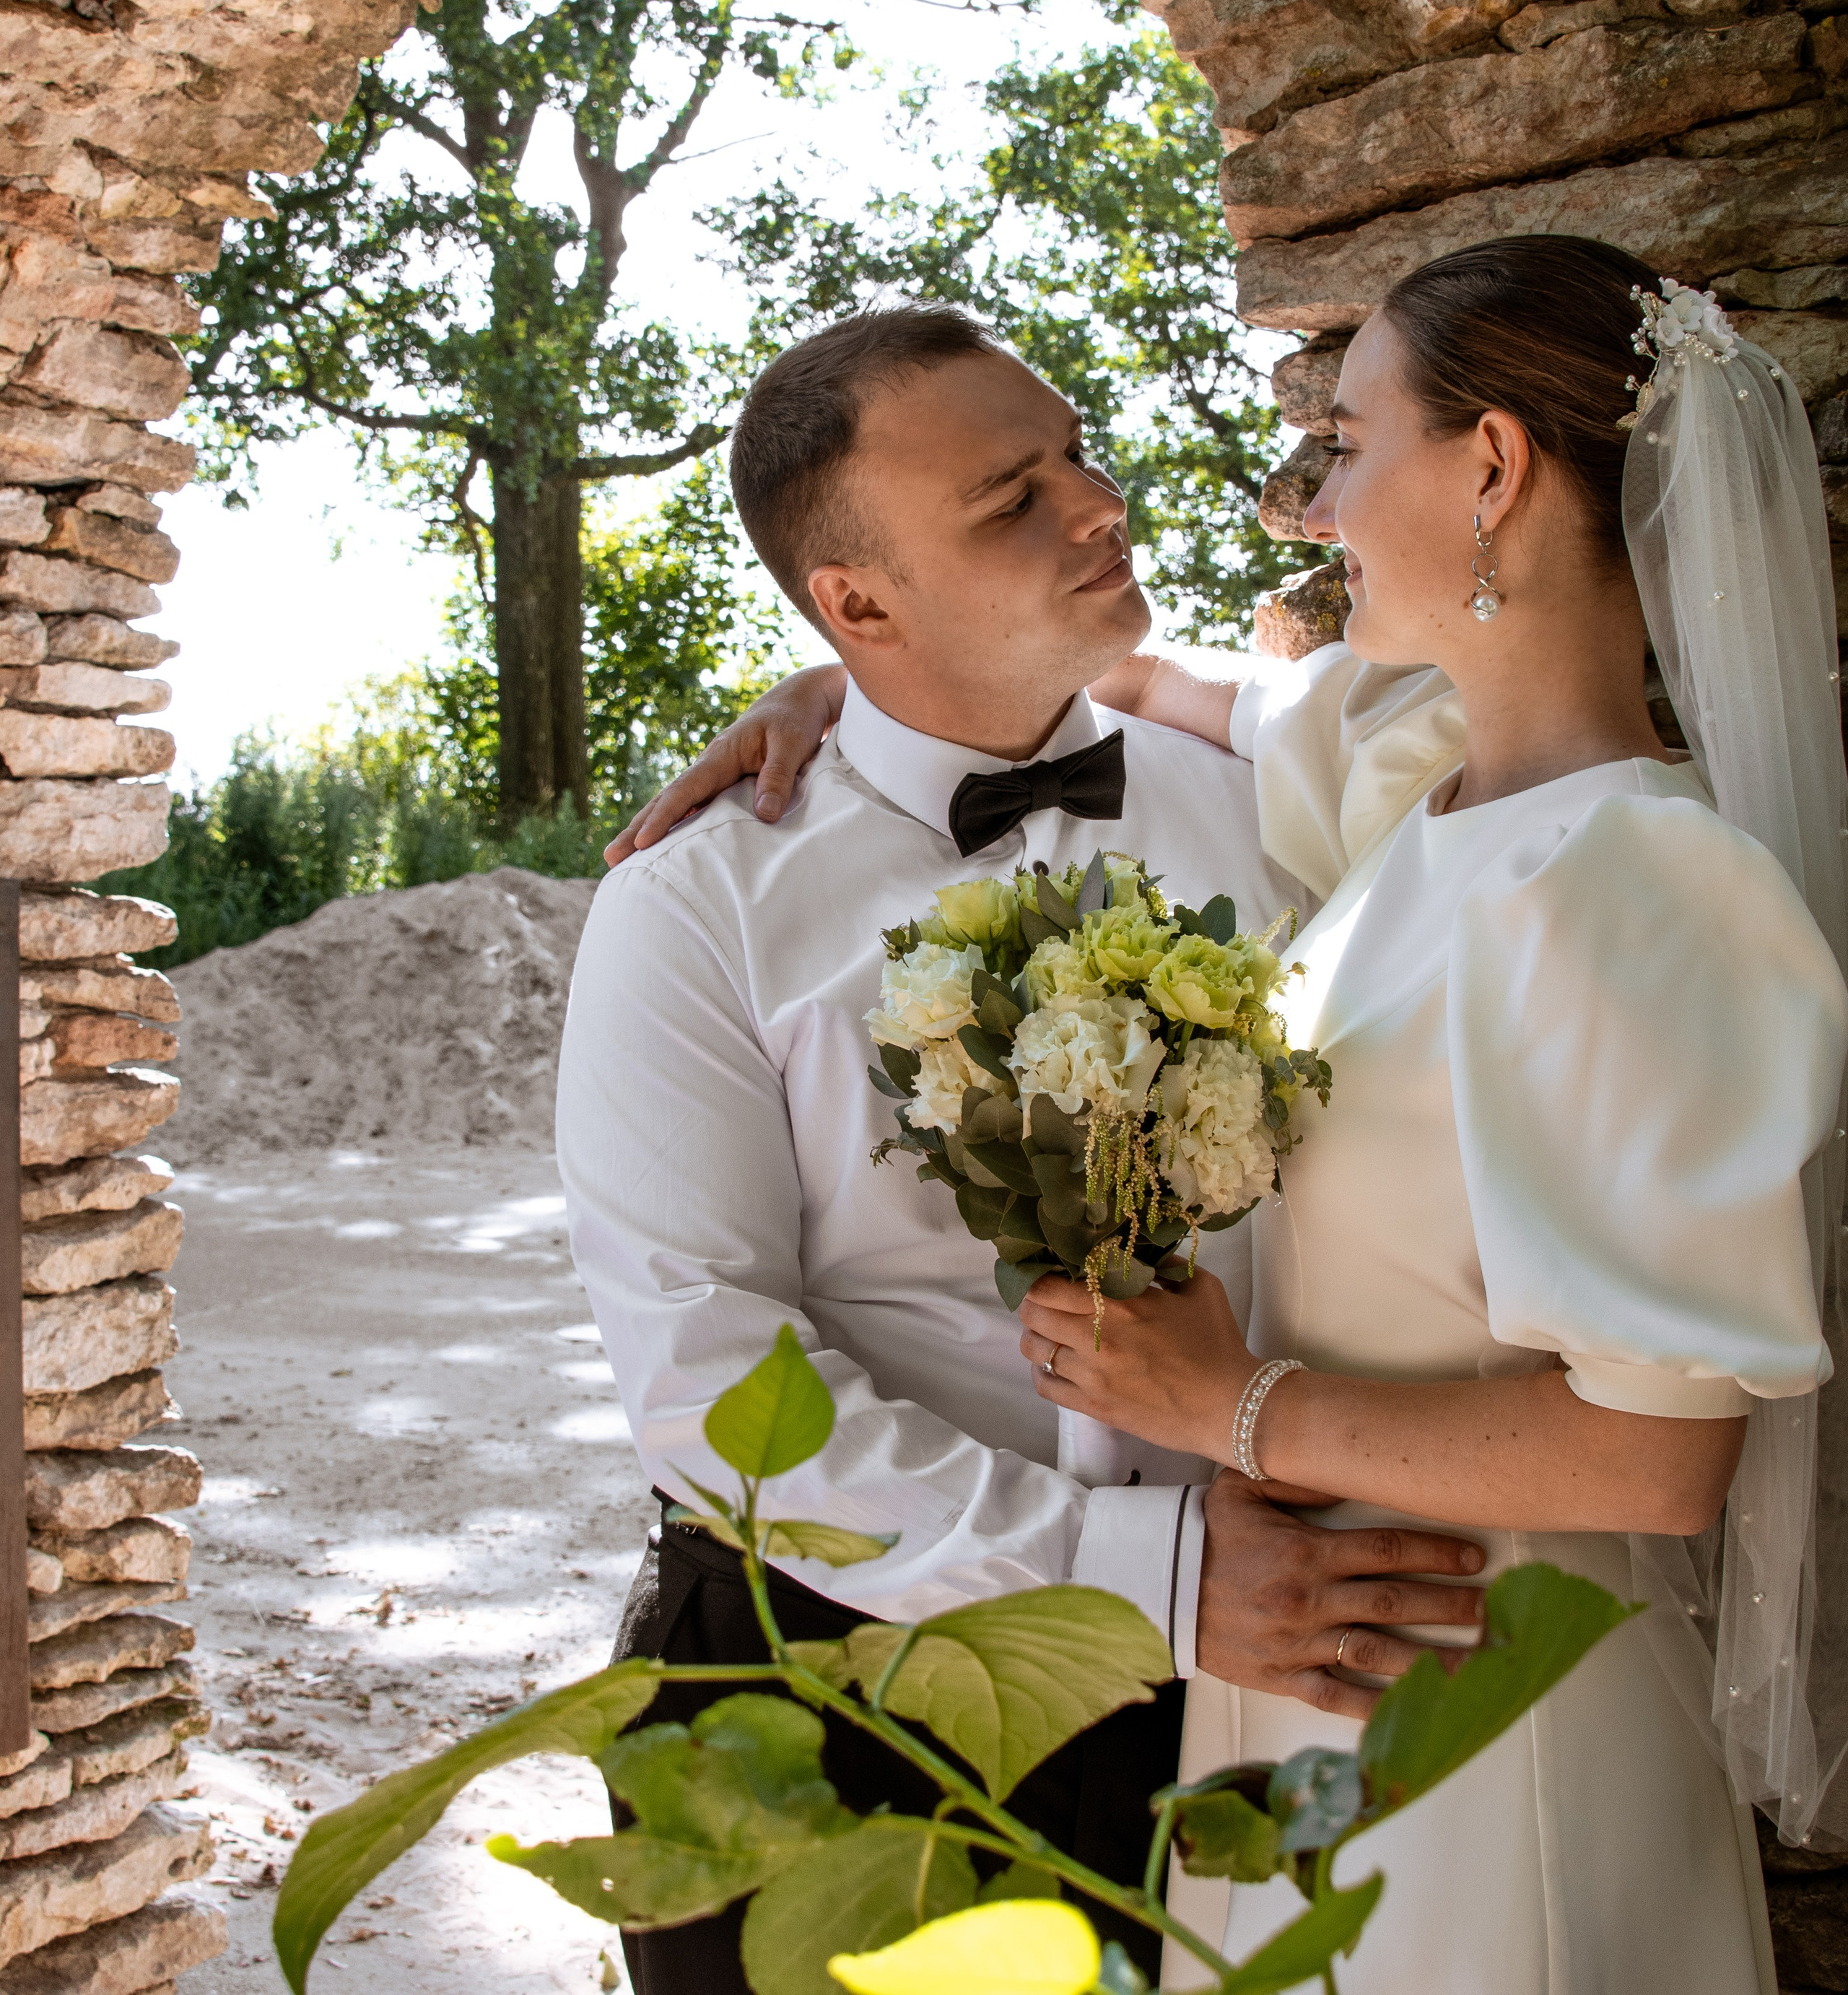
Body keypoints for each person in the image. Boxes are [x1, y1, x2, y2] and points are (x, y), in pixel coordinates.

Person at [620, 238, 1848, 1993]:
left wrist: (1227, 1409)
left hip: (1464, 1676)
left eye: (1339, 448)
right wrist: (853, 682)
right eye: (1009, 495)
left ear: (1489, 468)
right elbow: (1124, 685)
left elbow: (1657, 1452)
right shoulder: (1400, 797)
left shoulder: (1622, 875)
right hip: (1222, 1695)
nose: (1296, 510)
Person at [559, 305, 1491, 1995]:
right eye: (1011, 499)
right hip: (829, 1695)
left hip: (1254, 1683)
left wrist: (1215, 1584)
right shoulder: (693, 902)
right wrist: (1150, 1578)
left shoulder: (1266, 801)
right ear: (853, 605)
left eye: (1074, 448)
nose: (1097, 500)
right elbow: (704, 1382)